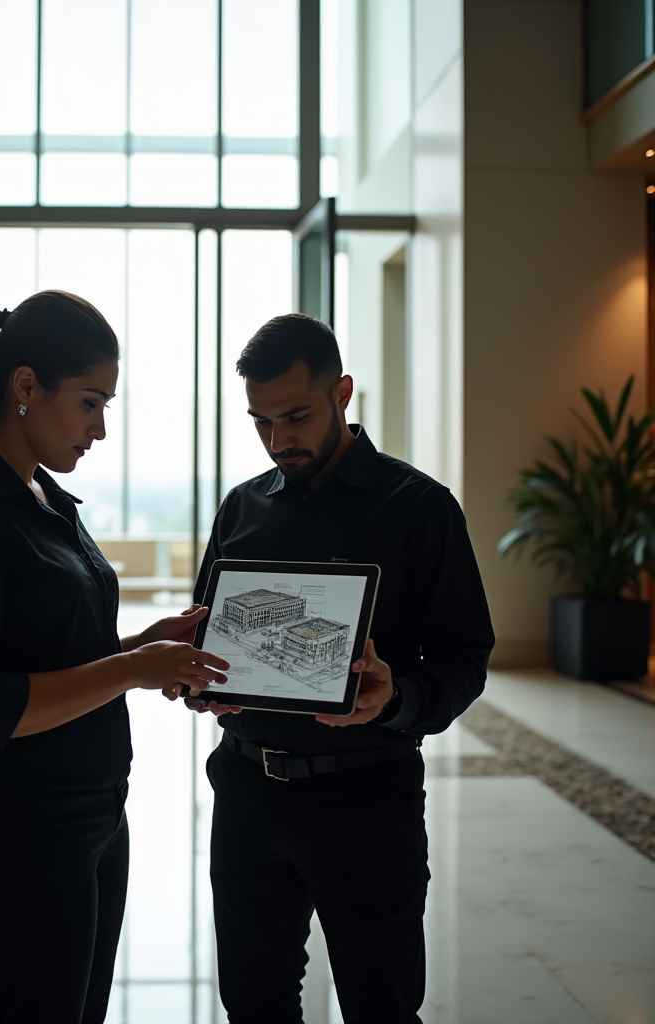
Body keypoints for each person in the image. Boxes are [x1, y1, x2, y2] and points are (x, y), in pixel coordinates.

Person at [0, 289, 230, 1024]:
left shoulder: (44, 496)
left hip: (93, 812)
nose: (101, 429)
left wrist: (145, 644)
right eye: (90, 403)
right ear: (26, 387)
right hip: (19, 828)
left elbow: (52, 655)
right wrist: (134, 669)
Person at [186, 313, 494, 1024]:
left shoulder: (419, 508)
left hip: (365, 800)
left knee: (379, 1004)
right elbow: (211, 629)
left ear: (343, 393)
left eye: (295, 415)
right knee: (253, 1003)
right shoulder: (242, 507)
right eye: (261, 422)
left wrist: (396, 698)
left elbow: (465, 658)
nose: (278, 439)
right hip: (245, 790)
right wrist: (200, 683)